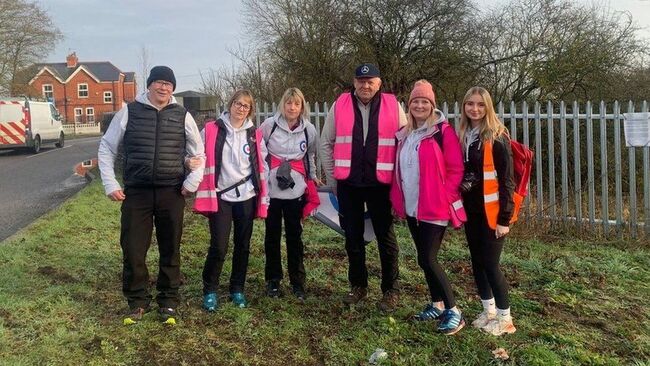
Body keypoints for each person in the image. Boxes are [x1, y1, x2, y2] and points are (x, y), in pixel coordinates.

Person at [98, 65, 205, 325]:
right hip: (137, 192)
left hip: (171, 191)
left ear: (173, 88)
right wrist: (110, 183)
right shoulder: (129, 112)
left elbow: (199, 154)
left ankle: (168, 301)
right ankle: (137, 302)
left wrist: (192, 182)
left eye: (168, 84)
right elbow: (107, 147)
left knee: (171, 248)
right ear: (149, 85)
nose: (163, 87)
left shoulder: (182, 115)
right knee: (133, 249)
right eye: (158, 82)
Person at [320, 63, 407, 311]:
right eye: (361, 81)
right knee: (353, 238)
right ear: (354, 82)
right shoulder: (341, 104)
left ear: (379, 82)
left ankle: (391, 290)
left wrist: (398, 183)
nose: (365, 85)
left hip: (381, 185)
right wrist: (334, 180)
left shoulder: (393, 105)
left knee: (386, 238)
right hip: (349, 184)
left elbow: (404, 145)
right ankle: (358, 286)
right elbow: (326, 143)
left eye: (370, 81)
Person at [389, 80, 466, 335]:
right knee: (423, 258)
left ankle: (454, 311)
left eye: (424, 102)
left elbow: (455, 169)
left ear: (432, 105)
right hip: (413, 206)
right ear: (409, 106)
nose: (419, 105)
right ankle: (437, 303)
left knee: (428, 258)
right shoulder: (405, 134)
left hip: (435, 207)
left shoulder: (442, 132)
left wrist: (445, 195)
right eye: (415, 102)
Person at [193, 90, 269, 311]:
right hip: (221, 195)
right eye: (238, 104)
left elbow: (262, 164)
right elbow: (195, 151)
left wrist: (265, 196)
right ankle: (210, 290)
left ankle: (237, 288)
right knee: (219, 246)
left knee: (242, 246)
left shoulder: (255, 134)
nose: (241, 109)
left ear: (250, 110)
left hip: (247, 196)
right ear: (230, 104)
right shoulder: (212, 129)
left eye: (246, 106)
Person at [458, 86, 517, 336]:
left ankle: (505, 319)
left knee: (491, 265)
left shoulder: (497, 136)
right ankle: (488, 311)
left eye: (480, 105)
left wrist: (505, 218)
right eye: (470, 104)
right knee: (477, 262)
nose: (475, 109)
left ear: (488, 107)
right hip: (472, 211)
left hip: (493, 213)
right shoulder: (465, 133)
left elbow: (507, 181)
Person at [260, 87, 320, 301]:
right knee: (272, 237)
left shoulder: (309, 130)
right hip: (273, 191)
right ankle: (273, 281)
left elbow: (309, 156)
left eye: (296, 104)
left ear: (302, 106)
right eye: (288, 103)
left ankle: (298, 282)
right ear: (282, 105)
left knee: (295, 238)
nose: (292, 107)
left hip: (296, 191)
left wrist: (312, 178)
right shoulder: (269, 126)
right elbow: (259, 153)